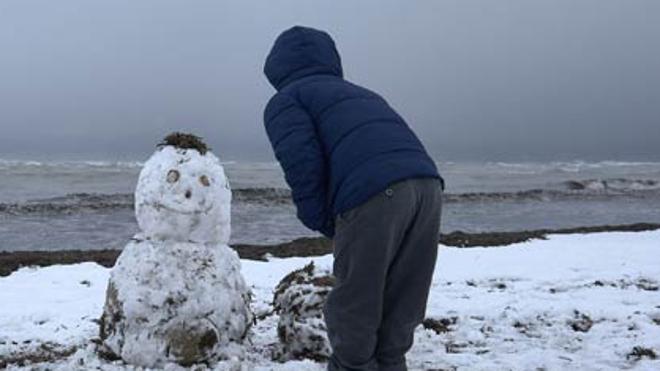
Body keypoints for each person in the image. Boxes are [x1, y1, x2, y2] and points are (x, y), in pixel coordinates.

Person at [262, 25, 444, 371]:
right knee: (403, 297)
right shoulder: (362, 94)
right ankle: (391, 363)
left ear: (277, 68)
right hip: (428, 186)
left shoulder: (288, 100)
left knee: (356, 302)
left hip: (375, 193)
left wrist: (325, 220)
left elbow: (302, 163)